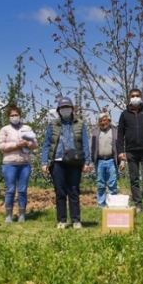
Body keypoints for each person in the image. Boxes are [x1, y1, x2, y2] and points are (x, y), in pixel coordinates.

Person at [40, 97, 92, 229]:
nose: (65, 109)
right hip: (57, 162)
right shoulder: (53, 125)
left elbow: (85, 144)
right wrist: (44, 162)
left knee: (73, 190)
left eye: (67, 107)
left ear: (72, 108)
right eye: (62, 107)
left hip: (74, 162)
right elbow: (47, 144)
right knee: (60, 192)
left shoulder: (80, 124)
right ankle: (62, 220)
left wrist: (87, 162)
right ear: (58, 110)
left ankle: (76, 220)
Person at [117, 88, 143, 212]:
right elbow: (120, 134)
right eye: (133, 96)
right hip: (131, 151)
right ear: (129, 98)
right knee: (134, 178)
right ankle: (138, 204)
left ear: (141, 97)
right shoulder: (124, 114)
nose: (135, 98)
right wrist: (121, 151)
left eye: (137, 96)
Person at [0, 105, 38, 223]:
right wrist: (16, 145)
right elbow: (0, 146)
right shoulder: (5, 130)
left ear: (20, 116)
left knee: (23, 190)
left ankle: (21, 215)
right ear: (9, 117)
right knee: (10, 190)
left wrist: (28, 144)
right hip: (10, 164)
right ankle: (8, 215)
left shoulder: (27, 128)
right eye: (12, 115)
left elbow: (35, 145)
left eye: (16, 115)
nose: (15, 117)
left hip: (24, 164)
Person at [91, 113, 125, 208]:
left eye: (105, 120)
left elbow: (121, 148)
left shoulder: (115, 132)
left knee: (112, 184)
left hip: (111, 161)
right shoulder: (95, 133)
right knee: (100, 184)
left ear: (109, 121)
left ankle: (112, 204)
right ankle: (101, 205)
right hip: (100, 161)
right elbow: (92, 148)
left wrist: (122, 161)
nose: (103, 123)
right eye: (101, 121)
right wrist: (90, 162)